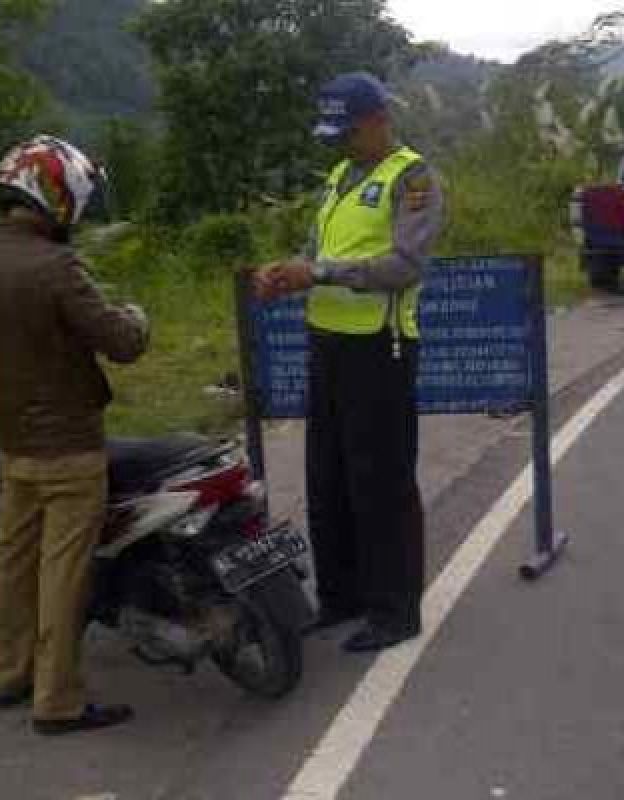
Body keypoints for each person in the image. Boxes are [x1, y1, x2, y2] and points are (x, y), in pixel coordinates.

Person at [0, 135, 149, 735]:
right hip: (69, 448)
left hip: (14, 448)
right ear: (57, 197)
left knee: (12, 564)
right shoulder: (58, 267)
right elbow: (119, 343)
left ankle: (5, 674)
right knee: (63, 575)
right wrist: (138, 317)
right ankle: (58, 701)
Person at [254, 73, 445, 653]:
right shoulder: (341, 175)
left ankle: (393, 610)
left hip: (379, 349)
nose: (344, 143)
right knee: (327, 474)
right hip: (327, 342)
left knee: (380, 482)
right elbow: (321, 252)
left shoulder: (413, 178)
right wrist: (289, 274)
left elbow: (403, 264)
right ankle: (340, 597)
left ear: (378, 118)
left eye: (351, 131)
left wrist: (320, 273)